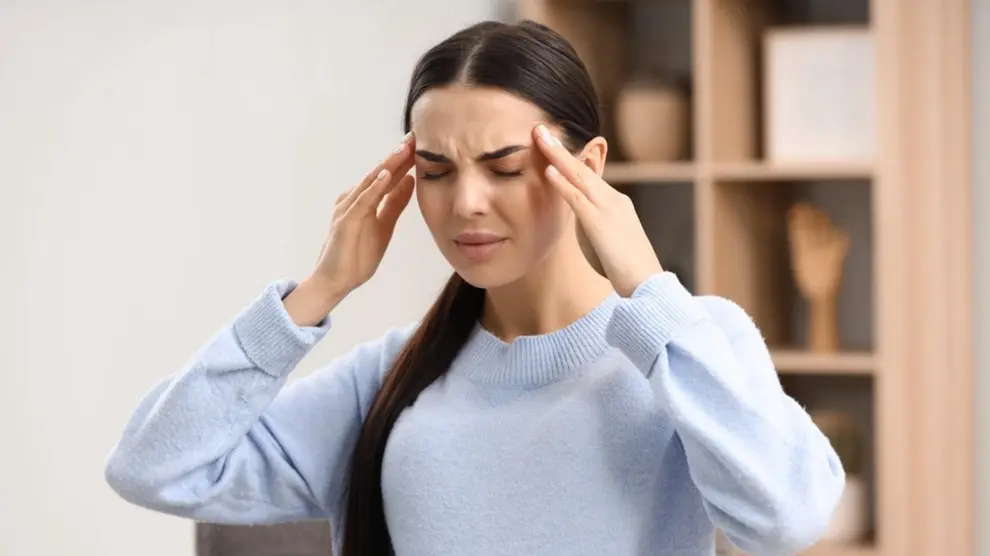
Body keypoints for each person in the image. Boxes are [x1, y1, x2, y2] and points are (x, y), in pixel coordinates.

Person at [105, 19, 844, 556]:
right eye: (435, 171)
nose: (465, 204)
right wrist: (318, 293)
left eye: (503, 167)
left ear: (587, 166)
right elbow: (153, 469)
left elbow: (787, 519)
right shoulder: (386, 381)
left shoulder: (686, 352)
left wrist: (647, 290)